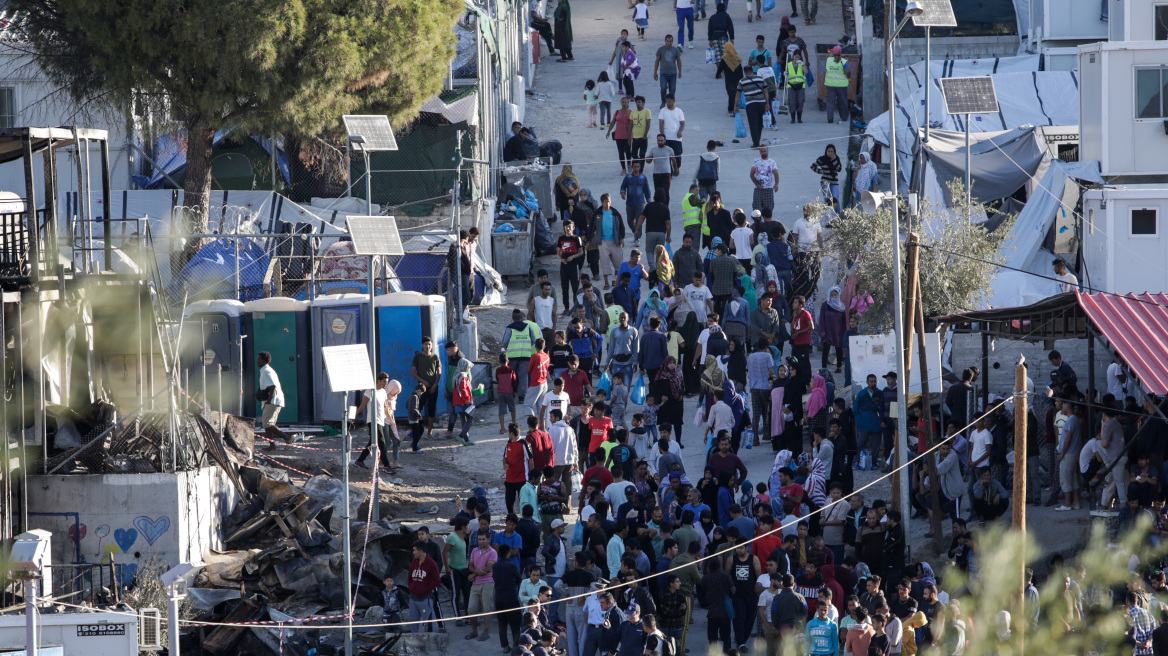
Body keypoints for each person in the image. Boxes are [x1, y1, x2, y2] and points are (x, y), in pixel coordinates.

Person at [353, 373, 394, 470]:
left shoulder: (383, 392)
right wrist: (354, 416)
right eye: (384, 381)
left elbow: (385, 408)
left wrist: (391, 420)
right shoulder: (370, 390)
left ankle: (359, 461)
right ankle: (386, 465)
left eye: (386, 382)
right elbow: (362, 405)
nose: (385, 384)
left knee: (373, 442)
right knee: (382, 442)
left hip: (381, 420)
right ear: (378, 381)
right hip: (372, 420)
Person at [256, 351, 293, 449]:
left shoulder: (266, 371)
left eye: (259, 359)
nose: (257, 361)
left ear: (264, 361)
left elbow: (273, 387)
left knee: (268, 424)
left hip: (273, 401)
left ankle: (287, 437)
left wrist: (268, 401)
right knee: (267, 424)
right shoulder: (265, 370)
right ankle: (272, 446)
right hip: (272, 401)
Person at [467, 531, 497, 642]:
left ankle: (485, 632)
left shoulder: (493, 552)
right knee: (471, 609)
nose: (481, 541)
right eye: (479, 539)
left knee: (487, 608)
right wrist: (475, 572)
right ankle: (474, 631)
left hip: (488, 582)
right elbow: (470, 565)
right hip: (476, 583)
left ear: (488, 540)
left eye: (483, 539)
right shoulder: (475, 550)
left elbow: (488, 569)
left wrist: (473, 574)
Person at [593, 193, 627, 290]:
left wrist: (621, 238)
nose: (607, 203)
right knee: (604, 263)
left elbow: (621, 226)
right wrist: (588, 240)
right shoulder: (598, 213)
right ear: (602, 202)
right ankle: (607, 282)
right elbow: (592, 226)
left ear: (610, 202)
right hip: (603, 241)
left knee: (618, 262)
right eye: (605, 202)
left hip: (615, 241)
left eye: (608, 201)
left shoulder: (615, 213)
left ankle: (615, 280)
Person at [406, 540, 441, 632]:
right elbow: (409, 576)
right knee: (413, 623)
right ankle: (414, 642)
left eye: (414, 550)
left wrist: (425, 588)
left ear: (421, 551)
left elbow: (437, 581)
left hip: (426, 599)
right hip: (413, 598)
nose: (413, 552)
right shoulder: (414, 562)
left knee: (427, 623)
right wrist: (411, 587)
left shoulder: (432, 564)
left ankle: (428, 642)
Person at [411, 336, 442, 439]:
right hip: (421, 387)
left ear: (432, 346)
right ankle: (416, 430)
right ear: (422, 345)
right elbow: (413, 372)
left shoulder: (435, 357)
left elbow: (439, 372)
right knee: (418, 408)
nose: (427, 346)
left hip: (433, 387)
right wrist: (423, 381)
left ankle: (429, 432)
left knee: (431, 409)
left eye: (429, 344)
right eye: (425, 344)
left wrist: (435, 385)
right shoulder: (418, 357)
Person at [735, 62, 771, 148]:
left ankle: (756, 143)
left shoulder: (742, 81)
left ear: (745, 72)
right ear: (752, 70)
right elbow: (765, 91)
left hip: (751, 104)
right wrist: (767, 103)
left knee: (753, 124)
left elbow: (738, 94)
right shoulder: (760, 78)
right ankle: (757, 139)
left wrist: (735, 106)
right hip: (761, 103)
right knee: (759, 122)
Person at [818, 287, 847, 371]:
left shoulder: (841, 306)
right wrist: (822, 330)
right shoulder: (825, 305)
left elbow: (844, 320)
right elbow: (821, 318)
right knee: (826, 349)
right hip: (827, 331)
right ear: (829, 295)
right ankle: (824, 368)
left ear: (838, 295)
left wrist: (844, 332)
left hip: (838, 331)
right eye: (832, 295)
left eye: (835, 295)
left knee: (838, 348)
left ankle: (839, 366)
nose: (834, 296)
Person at [621, 160, 653, 235]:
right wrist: (623, 194)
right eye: (634, 167)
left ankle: (637, 236)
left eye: (637, 167)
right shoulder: (628, 177)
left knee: (639, 221)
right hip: (630, 204)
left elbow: (646, 190)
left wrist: (649, 201)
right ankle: (635, 231)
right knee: (629, 221)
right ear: (632, 167)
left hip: (640, 204)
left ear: (640, 167)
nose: (636, 168)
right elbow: (623, 187)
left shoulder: (643, 178)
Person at [715, 40, 744, 116]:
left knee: (730, 93)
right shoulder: (736, 56)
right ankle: (735, 106)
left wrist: (717, 75)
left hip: (729, 79)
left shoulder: (725, 58)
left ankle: (731, 108)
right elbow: (740, 68)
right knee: (736, 93)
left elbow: (720, 68)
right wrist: (742, 78)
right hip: (737, 78)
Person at [659, 95, 685, 175]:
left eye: (669, 101)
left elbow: (682, 124)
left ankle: (676, 168)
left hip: (676, 139)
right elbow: (661, 123)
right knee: (667, 156)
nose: (668, 103)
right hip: (667, 138)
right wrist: (662, 135)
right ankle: (669, 171)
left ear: (674, 101)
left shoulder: (679, 111)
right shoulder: (663, 111)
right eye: (667, 101)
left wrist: (680, 132)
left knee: (677, 155)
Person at [811, 144, 843, 210]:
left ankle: (837, 216)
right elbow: (813, 166)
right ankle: (828, 215)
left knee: (835, 199)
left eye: (832, 152)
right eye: (829, 151)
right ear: (826, 151)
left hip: (834, 182)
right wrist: (820, 171)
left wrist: (833, 159)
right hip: (825, 182)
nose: (830, 153)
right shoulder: (822, 159)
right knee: (827, 199)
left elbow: (839, 169)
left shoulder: (836, 158)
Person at [654, 35, 683, 107]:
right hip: (663, 73)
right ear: (665, 41)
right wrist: (655, 72)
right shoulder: (660, 50)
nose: (669, 43)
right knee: (663, 87)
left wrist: (680, 71)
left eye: (670, 41)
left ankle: (671, 104)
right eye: (667, 41)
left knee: (672, 90)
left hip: (673, 73)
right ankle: (663, 102)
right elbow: (657, 61)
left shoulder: (675, 50)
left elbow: (679, 61)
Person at [824, 46, 850, 123]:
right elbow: (848, 72)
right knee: (842, 102)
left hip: (830, 84)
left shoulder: (828, 60)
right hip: (842, 85)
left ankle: (830, 118)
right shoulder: (844, 61)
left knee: (830, 102)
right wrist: (847, 77)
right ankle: (844, 117)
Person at [750, 145, 779, 215]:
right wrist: (757, 185)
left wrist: (776, 184)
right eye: (762, 151)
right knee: (756, 210)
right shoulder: (756, 161)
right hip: (758, 189)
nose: (764, 153)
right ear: (760, 152)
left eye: (765, 151)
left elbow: (776, 173)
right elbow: (751, 175)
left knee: (769, 210)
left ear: (767, 151)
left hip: (768, 189)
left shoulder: (772, 162)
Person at [784, 49, 807, 123]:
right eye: (795, 56)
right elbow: (786, 72)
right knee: (792, 102)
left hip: (801, 85)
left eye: (798, 57)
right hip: (791, 85)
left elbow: (806, 72)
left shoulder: (801, 64)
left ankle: (799, 118)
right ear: (793, 56)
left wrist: (803, 65)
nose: (797, 58)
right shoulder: (789, 64)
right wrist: (785, 73)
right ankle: (793, 119)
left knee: (800, 102)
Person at [630, 96, 653, 164]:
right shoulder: (633, 112)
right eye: (637, 102)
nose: (638, 103)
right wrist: (629, 137)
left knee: (642, 154)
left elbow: (648, 123)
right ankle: (638, 165)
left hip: (643, 137)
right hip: (635, 137)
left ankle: (641, 169)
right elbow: (630, 125)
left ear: (643, 103)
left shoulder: (647, 111)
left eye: (639, 102)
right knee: (633, 154)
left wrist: (645, 134)